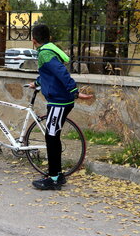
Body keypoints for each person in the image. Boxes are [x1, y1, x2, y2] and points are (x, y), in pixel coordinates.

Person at [29, 24, 93, 190]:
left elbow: (61, 72)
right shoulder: (49, 50)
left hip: (60, 101)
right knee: (52, 135)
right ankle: (57, 174)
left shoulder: (45, 53)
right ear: (48, 38)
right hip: (59, 100)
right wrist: (36, 83)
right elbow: (48, 74)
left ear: (33, 40)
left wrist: (75, 91)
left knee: (51, 136)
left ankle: (54, 177)